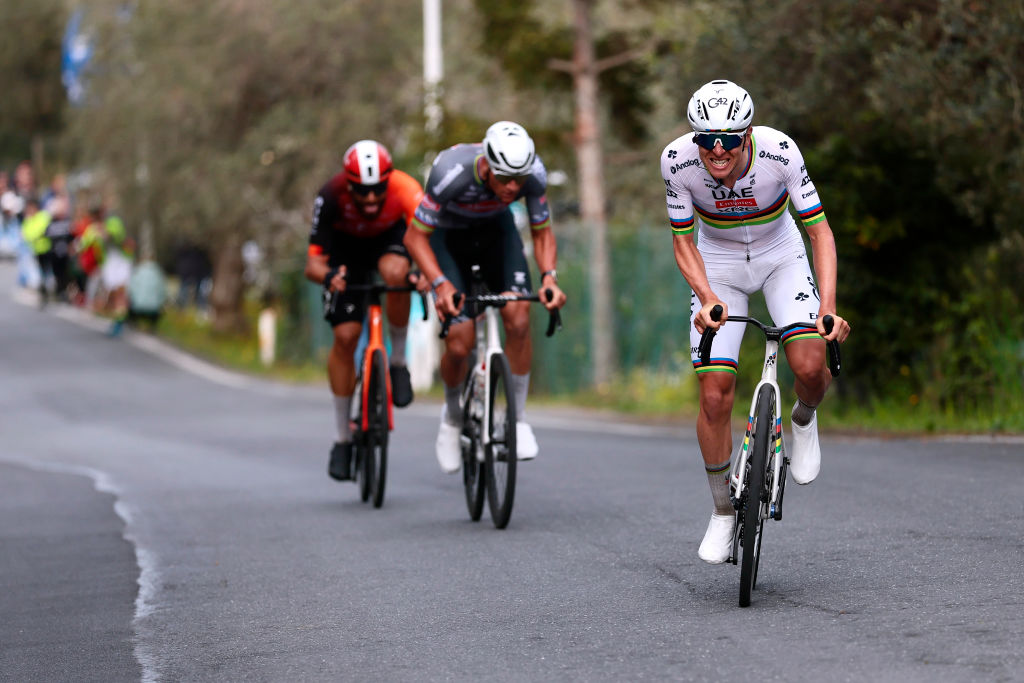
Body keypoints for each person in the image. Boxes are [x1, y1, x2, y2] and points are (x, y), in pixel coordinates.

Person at [659, 80, 851, 564]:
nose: (717, 150)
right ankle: (723, 511)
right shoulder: (676, 161)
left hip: (779, 253)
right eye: (706, 139)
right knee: (714, 391)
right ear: (694, 138)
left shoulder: (781, 152)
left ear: (748, 134)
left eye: (728, 138)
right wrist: (705, 298)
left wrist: (827, 305)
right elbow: (684, 242)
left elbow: (820, 232)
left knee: (809, 365)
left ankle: (803, 419)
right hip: (718, 262)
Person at [403, 121, 567, 475]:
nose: (512, 187)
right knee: (459, 344)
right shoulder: (451, 170)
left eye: (518, 181)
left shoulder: (533, 173)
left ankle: (519, 420)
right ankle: (451, 416)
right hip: (448, 240)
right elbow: (415, 238)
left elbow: (541, 232)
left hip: (497, 234)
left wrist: (549, 278)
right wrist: (440, 284)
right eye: (504, 178)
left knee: (519, 316)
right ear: (487, 166)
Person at [303, 139, 425, 482]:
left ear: (389, 179)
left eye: (378, 190)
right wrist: (329, 277)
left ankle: (398, 363)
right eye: (362, 191)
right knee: (346, 336)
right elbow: (312, 266)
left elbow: (428, 238)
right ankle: (342, 438)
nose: (371, 199)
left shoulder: (405, 188)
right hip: (346, 252)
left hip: (389, 241)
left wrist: (426, 273)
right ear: (348, 183)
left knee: (398, 275)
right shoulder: (331, 195)